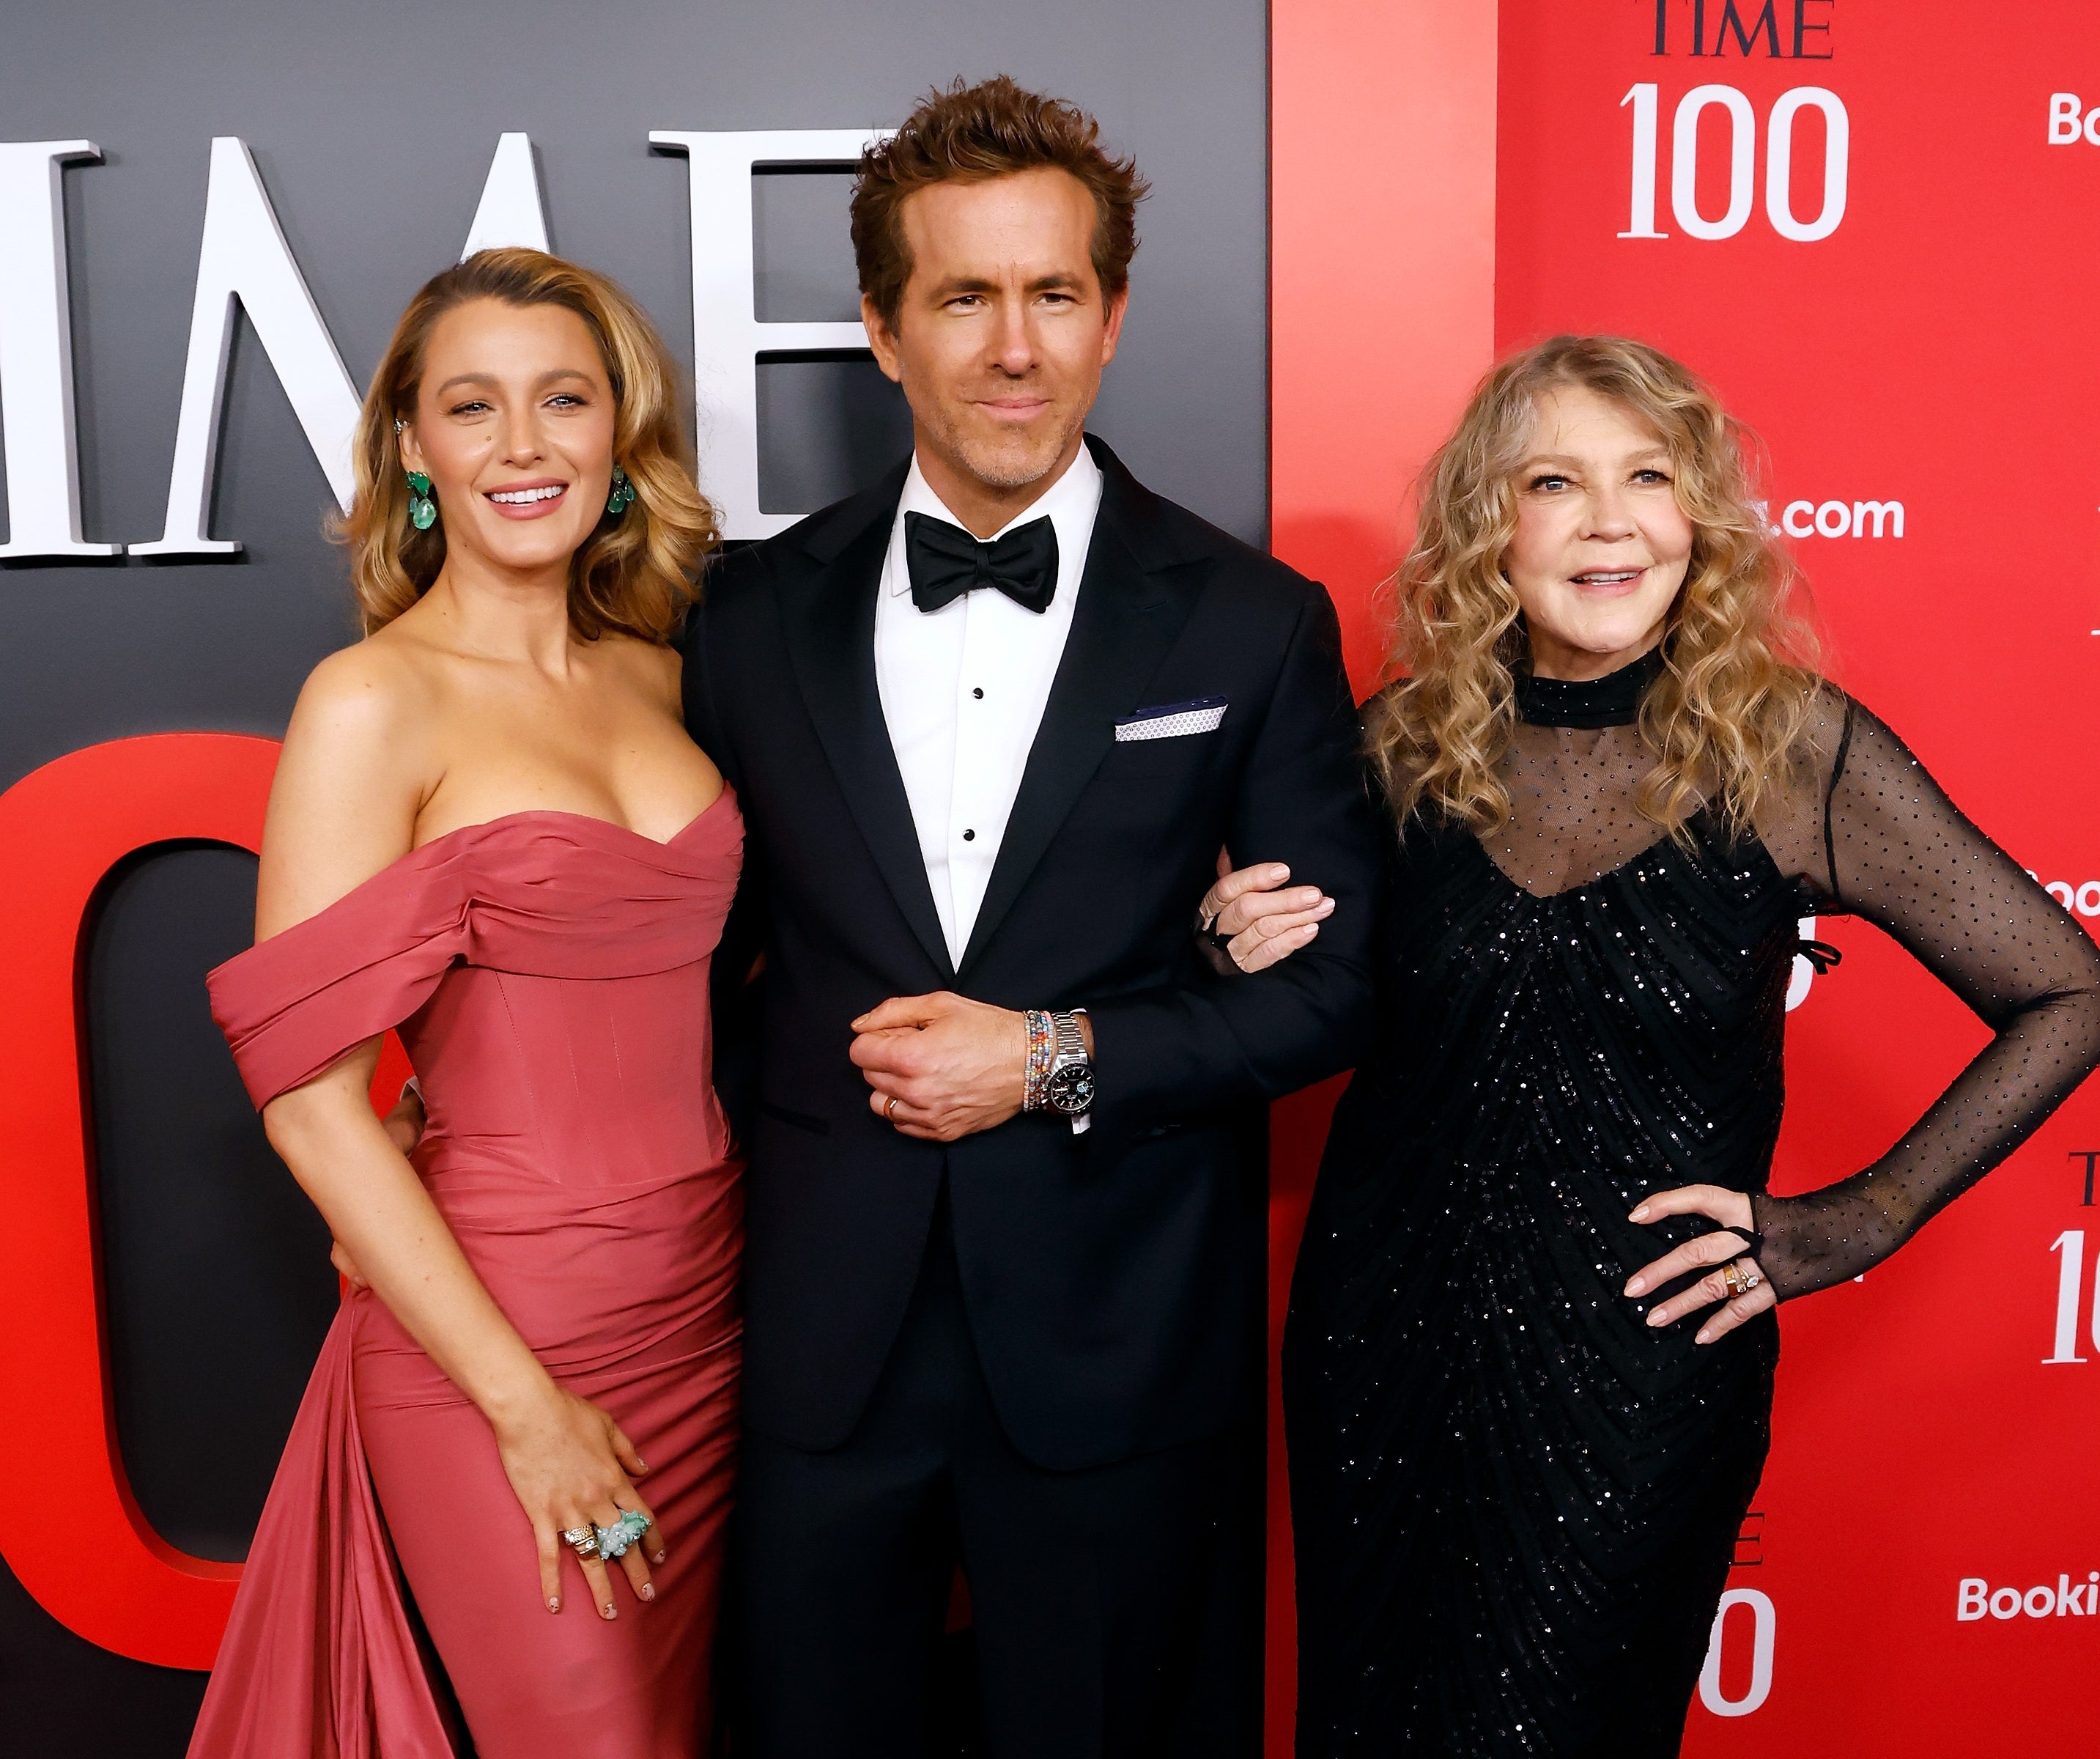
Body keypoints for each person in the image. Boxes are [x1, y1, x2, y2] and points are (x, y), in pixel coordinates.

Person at [1210, 335, 2100, 1755]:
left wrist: (1860, 1216)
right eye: (1551, 481)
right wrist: (1229, 938)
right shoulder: (1401, 745)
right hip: (1380, 1348)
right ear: (1486, 530)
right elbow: (1311, 1006)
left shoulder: (1786, 752)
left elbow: (2069, 993)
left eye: (1647, 476)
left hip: (1636, 1373)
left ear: (1698, 519)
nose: (1608, 518)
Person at [680, 77, 1380, 1757]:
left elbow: (1340, 987)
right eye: (964, 297)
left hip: (1118, 1326)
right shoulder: (742, 615)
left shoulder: (1249, 621)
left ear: (1110, 317)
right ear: (882, 330)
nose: (1013, 346)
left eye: (1052, 293)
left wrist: (1057, 1055)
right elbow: (677, 975)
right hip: (817, 1336)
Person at [194, 248, 739, 1759]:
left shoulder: (663, 681)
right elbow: (309, 1101)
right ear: (410, 453)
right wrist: (525, 1409)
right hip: (498, 1343)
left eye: (562, 399)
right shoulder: (371, 700)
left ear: (616, 436)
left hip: (708, 1311)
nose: (521, 445)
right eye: (472, 406)